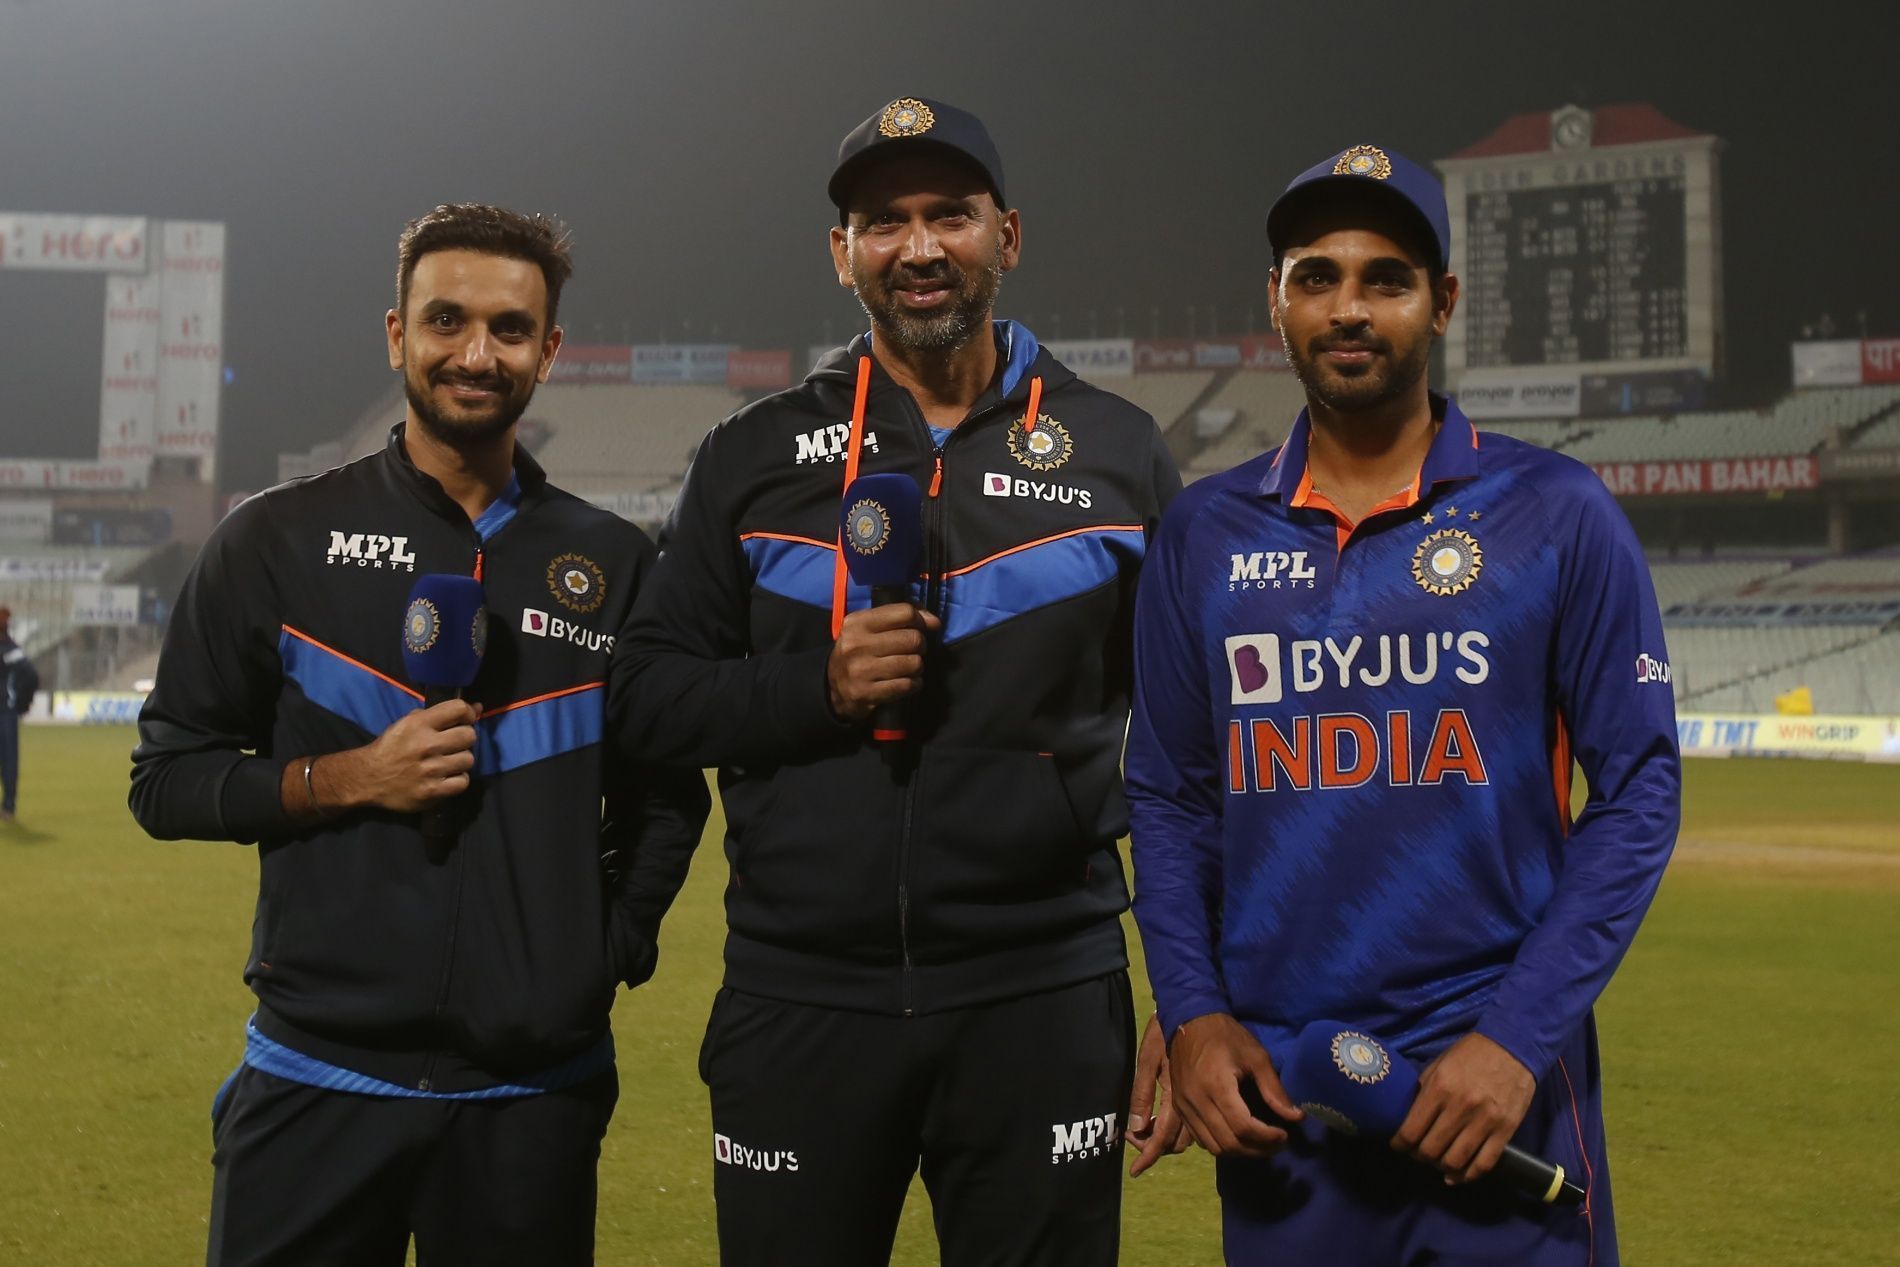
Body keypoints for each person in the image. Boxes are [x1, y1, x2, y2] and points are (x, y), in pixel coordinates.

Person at [611, 97, 1181, 1266]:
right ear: (843, 253)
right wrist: (815, 688)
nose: (918, 246)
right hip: (799, 998)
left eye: (950, 216)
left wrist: (1185, 990)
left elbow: (1190, 759)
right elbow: (647, 700)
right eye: (883, 221)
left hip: (1044, 995)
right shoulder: (751, 456)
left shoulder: (1120, 453)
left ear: (1007, 236)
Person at [1124, 144, 1680, 1265]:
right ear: (1274, 304)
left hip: (1493, 1089)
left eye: (1385, 278)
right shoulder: (1204, 533)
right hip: (1282, 1094)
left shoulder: (1557, 513)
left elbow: (1637, 792)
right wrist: (1190, 1011)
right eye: (1314, 277)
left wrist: (1518, 1039)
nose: (1347, 308)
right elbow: (1171, 796)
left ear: (1441, 304)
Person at [128, 203, 709, 1267]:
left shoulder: (614, 561)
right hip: (315, 1081)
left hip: (532, 1100)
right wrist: (345, 777)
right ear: (396, 335)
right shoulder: (275, 539)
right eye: (446, 321)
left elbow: (667, 797)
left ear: (550, 352)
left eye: (509, 329)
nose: (476, 354)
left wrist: (604, 950)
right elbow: (167, 778)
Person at [0, 605, 38, 821]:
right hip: (6, 711)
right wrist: (22, 703)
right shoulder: (11, 650)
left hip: (6, 711)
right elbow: (31, 676)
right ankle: (8, 807)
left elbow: (31, 676)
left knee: (8, 761)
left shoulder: (11, 650)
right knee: (8, 761)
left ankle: (8, 806)